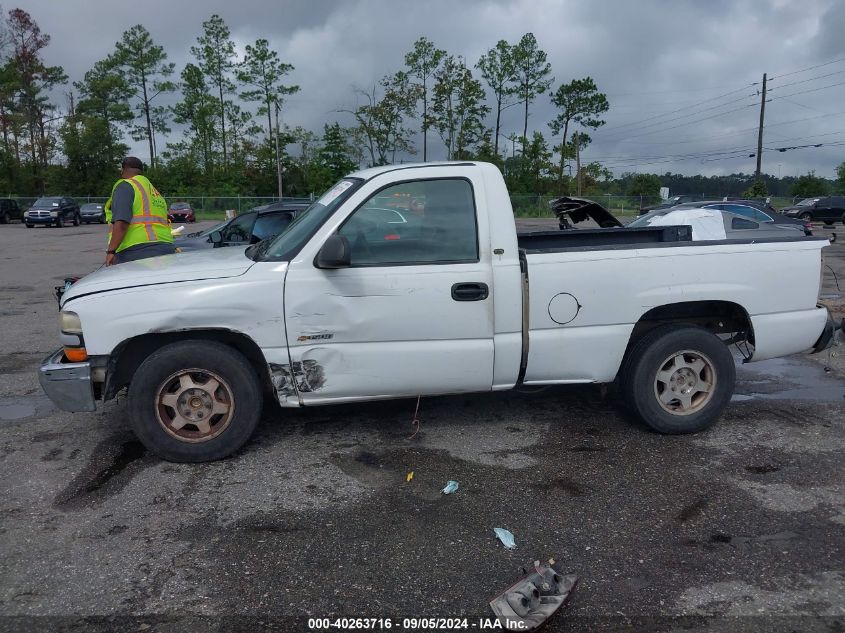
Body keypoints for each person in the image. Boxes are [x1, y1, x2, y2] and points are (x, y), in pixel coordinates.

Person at [104, 157, 175, 266]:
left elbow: (122, 222)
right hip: (166, 247)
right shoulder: (154, 192)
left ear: (123, 170)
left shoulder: (125, 186)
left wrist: (111, 251)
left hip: (136, 250)